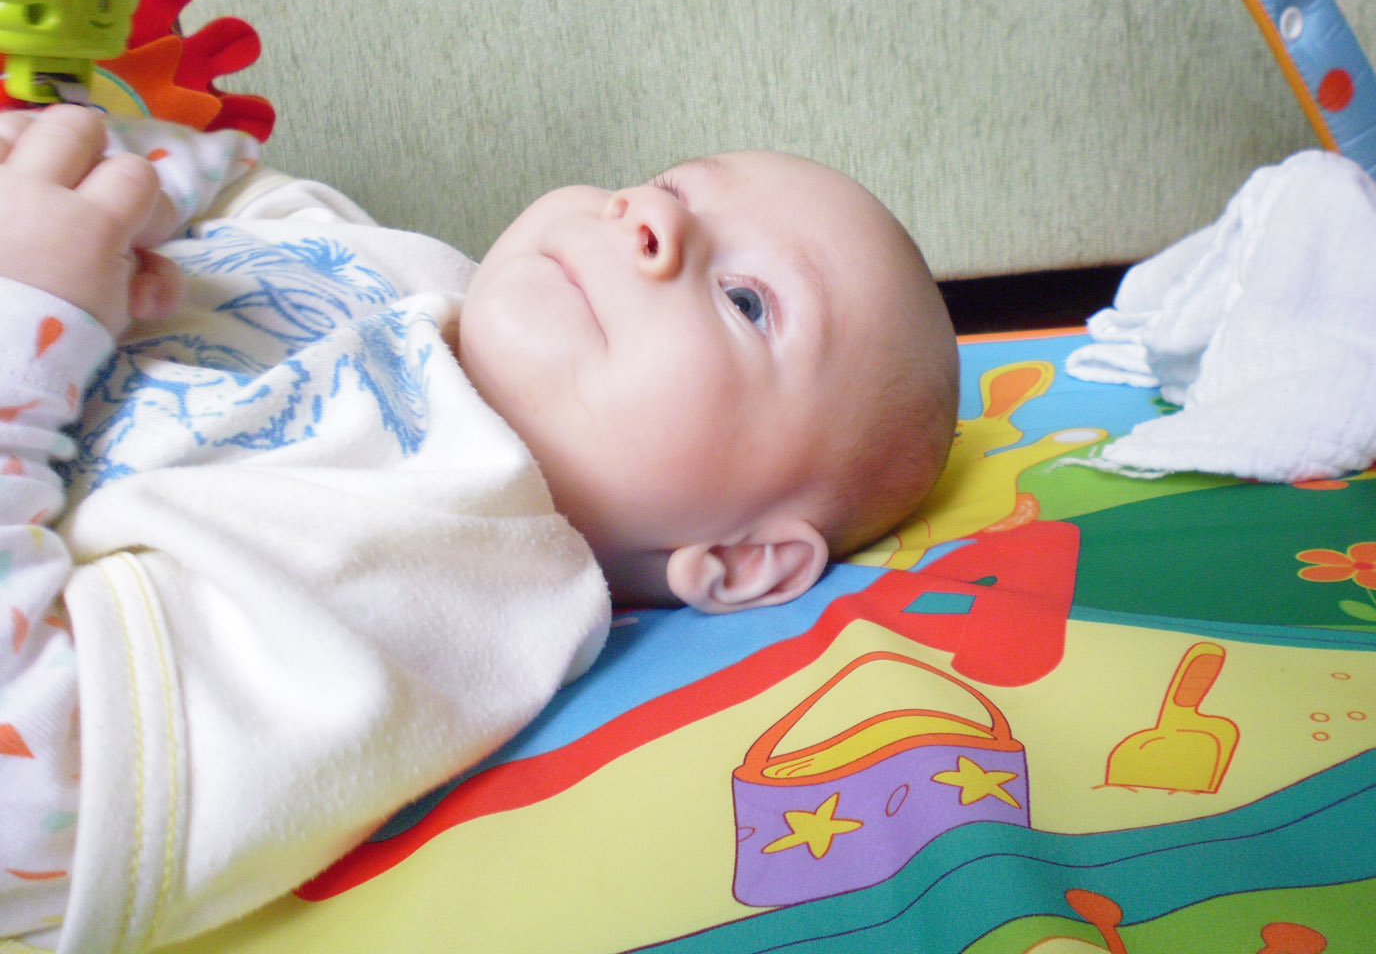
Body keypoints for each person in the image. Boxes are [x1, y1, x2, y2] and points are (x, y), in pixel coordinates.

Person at [0, 105, 958, 952]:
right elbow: (249, 183)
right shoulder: (420, 274)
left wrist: (31, 319)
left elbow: (34, 806)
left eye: (746, 301)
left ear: (746, 560)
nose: (651, 216)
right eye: (670, 187)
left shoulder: (456, 572)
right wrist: (95, 168)